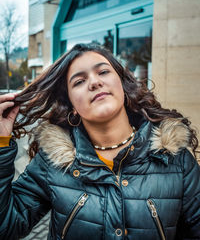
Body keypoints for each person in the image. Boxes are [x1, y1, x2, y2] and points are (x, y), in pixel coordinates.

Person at [0, 43, 200, 240]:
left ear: (122, 84)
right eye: (79, 82)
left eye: (103, 72)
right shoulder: (52, 162)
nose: (94, 82)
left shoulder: (175, 159)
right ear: (72, 106)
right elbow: (6, 226)